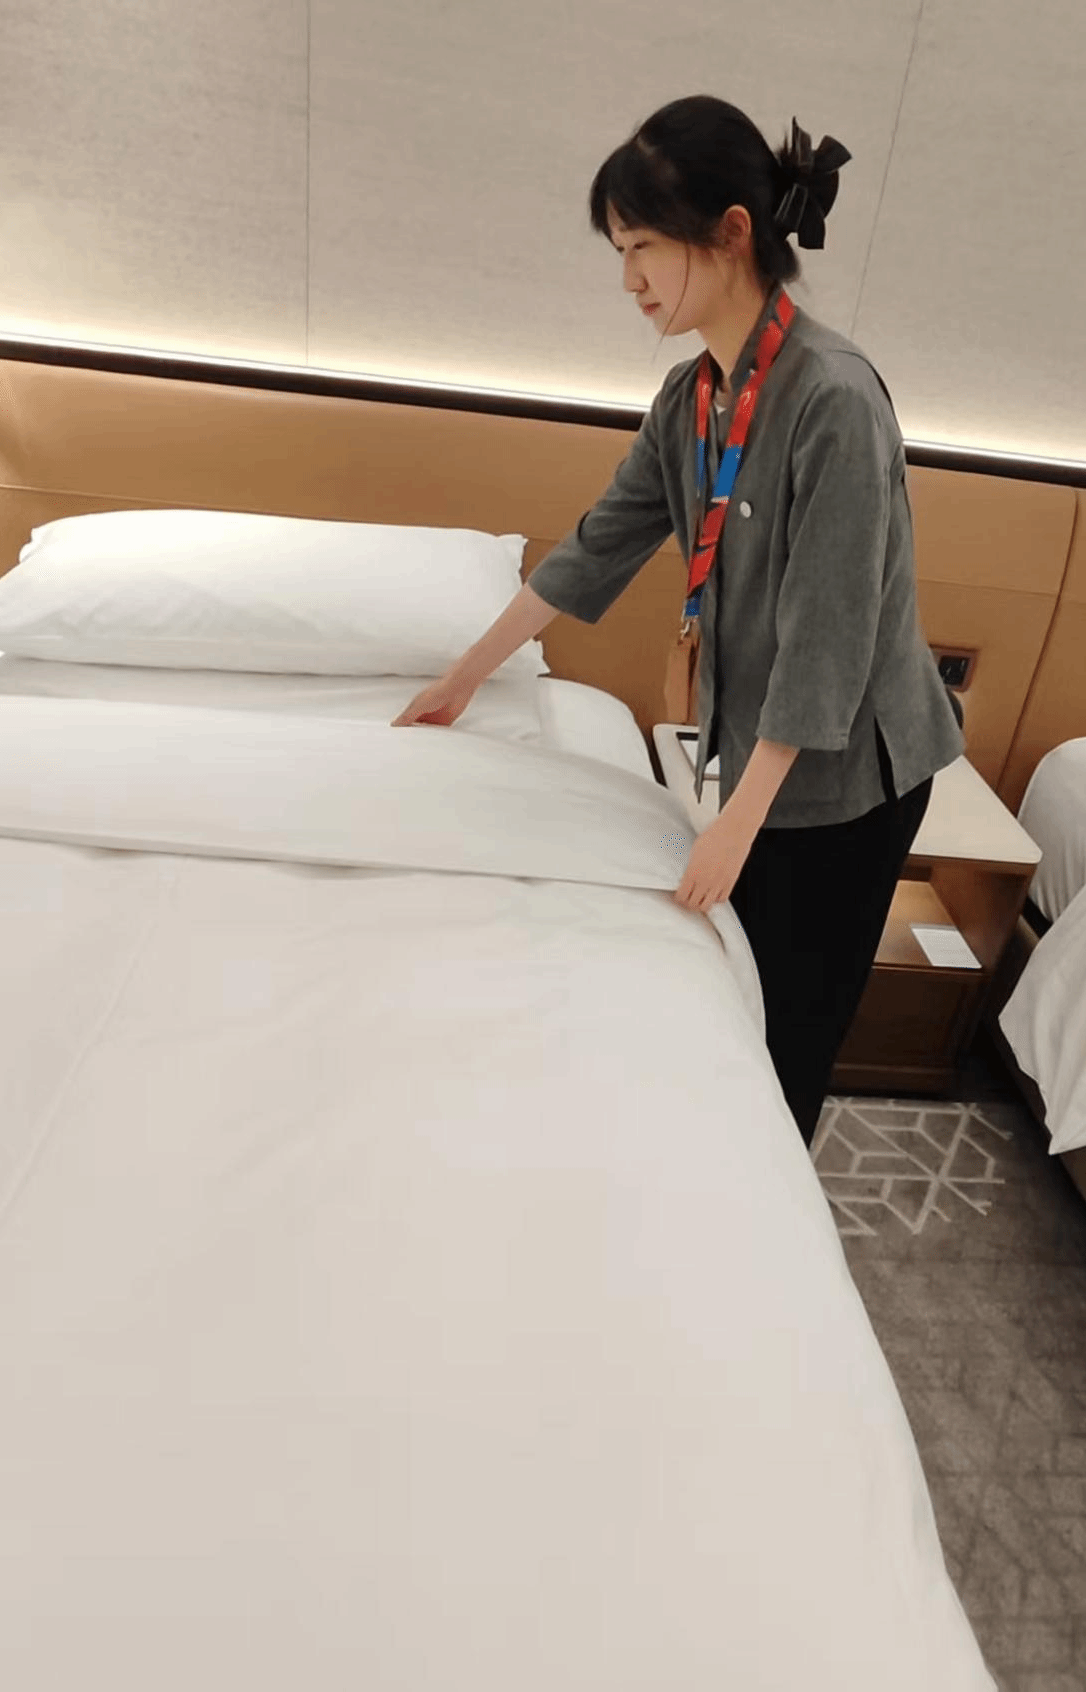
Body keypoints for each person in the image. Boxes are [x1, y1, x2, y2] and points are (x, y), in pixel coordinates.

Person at [394, 95, 965, 1148]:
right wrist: (465, 676)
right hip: (762, 753)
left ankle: (769, 1184)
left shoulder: (833, 401)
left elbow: (827, 641)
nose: (629, 279)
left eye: (642, 247)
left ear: (730, 233)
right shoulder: (690, 397)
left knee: (792, 1021)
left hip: (851, 777)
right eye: (620, 251)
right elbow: (600, 541)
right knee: (731, 996)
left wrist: (737, 824)